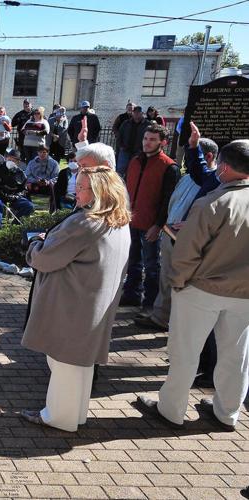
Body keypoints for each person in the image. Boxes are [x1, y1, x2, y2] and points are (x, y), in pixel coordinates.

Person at [136, 139, 249, 432]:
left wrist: (178, 283)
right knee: (236, 355)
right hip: (244, 294)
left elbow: (186, 254)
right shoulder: (216, 202)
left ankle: (171, 409)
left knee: (185, 351)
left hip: (202, 288)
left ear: (223, 168)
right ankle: (228, 412)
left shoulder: (212, 202)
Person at [20, 166, 132, 432]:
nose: (76, 192)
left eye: (82, 187)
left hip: (73, 302)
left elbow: (46, 258)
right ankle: (76, 414)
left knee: (63, 362)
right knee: (81, 363)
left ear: (99, 192)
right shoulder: (119, 221)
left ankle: (58, 417)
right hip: (95, 301)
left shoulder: (85, 222)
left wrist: (35, 243)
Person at [134, 124, 219, 384]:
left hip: (193, 249)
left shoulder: (213, 184)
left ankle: (196, 363)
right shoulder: (193, 176)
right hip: (172, 236)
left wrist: (160, 224)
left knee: (180, 290)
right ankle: (161, 316)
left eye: (152, 139)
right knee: (167, 280)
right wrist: (192, 147)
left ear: (211, 159)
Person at [120, 124, 179, 311]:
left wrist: (158, 225)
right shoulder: (135, 160)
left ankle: (151, 302)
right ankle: (132, 294)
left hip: (150, 224)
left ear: (163, 142)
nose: (147, 142)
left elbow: (168, 200)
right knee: (132, 261)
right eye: (146, 138)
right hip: (130, 221)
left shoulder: (169, 167)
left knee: (152, 266)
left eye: (152, 139)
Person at [0, 148, 35, 229]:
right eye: (9, 158)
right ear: (6, 158)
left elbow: (23, 190)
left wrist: (16, 196)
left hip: (12, 197)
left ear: (18, 162)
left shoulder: (20, 173)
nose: (11, 160)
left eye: (14, 160)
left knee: (29, 206)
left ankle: (14, 226)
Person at [117, 105, 148, 177]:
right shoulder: (126, 123)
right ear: (133, 113)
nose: (136, 114)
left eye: (138, 112)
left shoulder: (147, 125)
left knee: (133, 171)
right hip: (125, 150)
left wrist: (143, 150)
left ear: (142, 113)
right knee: (120, 171)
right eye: (135, 112)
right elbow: (119, 135)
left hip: (138, 152)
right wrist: (121, 146)